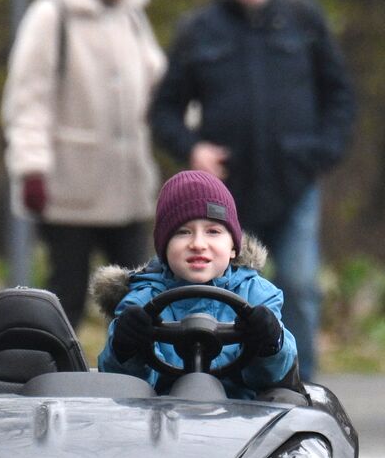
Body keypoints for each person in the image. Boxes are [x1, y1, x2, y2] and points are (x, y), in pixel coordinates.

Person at [150, 0, 355, 380]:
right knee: (232, 288)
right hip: (229, 196)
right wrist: (193, 149)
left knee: (300, 286)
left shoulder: (304, 19)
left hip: (295, 184)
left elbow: (340, 96)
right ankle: (229, 380)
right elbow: (164, 112)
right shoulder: (198, 31)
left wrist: (322, 152)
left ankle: (302, 385)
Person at [1, 0, 166, 327]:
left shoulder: (132, 16)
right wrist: (32, 170)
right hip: (68, 196)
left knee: (140, 300)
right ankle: (54, 381)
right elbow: (28, 102)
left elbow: (159, 85)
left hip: (128, 192)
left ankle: (138, 381)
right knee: (65, 299)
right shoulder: (49, 17)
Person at [93, 170, 297, 399]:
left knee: (287, 399)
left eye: (213, 232)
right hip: (164, 418)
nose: (198, 244)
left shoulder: (258, 295)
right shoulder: (141, 301)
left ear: (233, 248)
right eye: (183, 232)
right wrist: (126, 348)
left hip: (243, 419)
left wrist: (269, 344)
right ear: (164, 249)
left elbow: (274, 375)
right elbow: (122, 384)